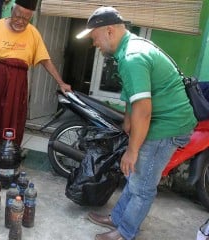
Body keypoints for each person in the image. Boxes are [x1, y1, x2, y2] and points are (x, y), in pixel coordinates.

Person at [76, 6, 197, 240]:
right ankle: (118, 218)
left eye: (95, 38)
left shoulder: (133, 56)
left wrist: (132, 151)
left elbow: (143, 110)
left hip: (167, 126)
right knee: (134, 176)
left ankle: (125, 232)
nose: (95, 44)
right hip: (158, 121)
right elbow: (133, 98)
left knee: (142, 185)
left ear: (109, 31)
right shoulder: (127, 50)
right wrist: (127, 127)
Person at [0, 0, 72, 170]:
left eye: (25, 19)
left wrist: (61, 82)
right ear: (12, 10)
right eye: (17, 16)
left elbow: (45, 61)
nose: (20, 21)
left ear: (31, 18)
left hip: (18, 83)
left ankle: (9, 158)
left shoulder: (33, 34)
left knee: (13, 120)